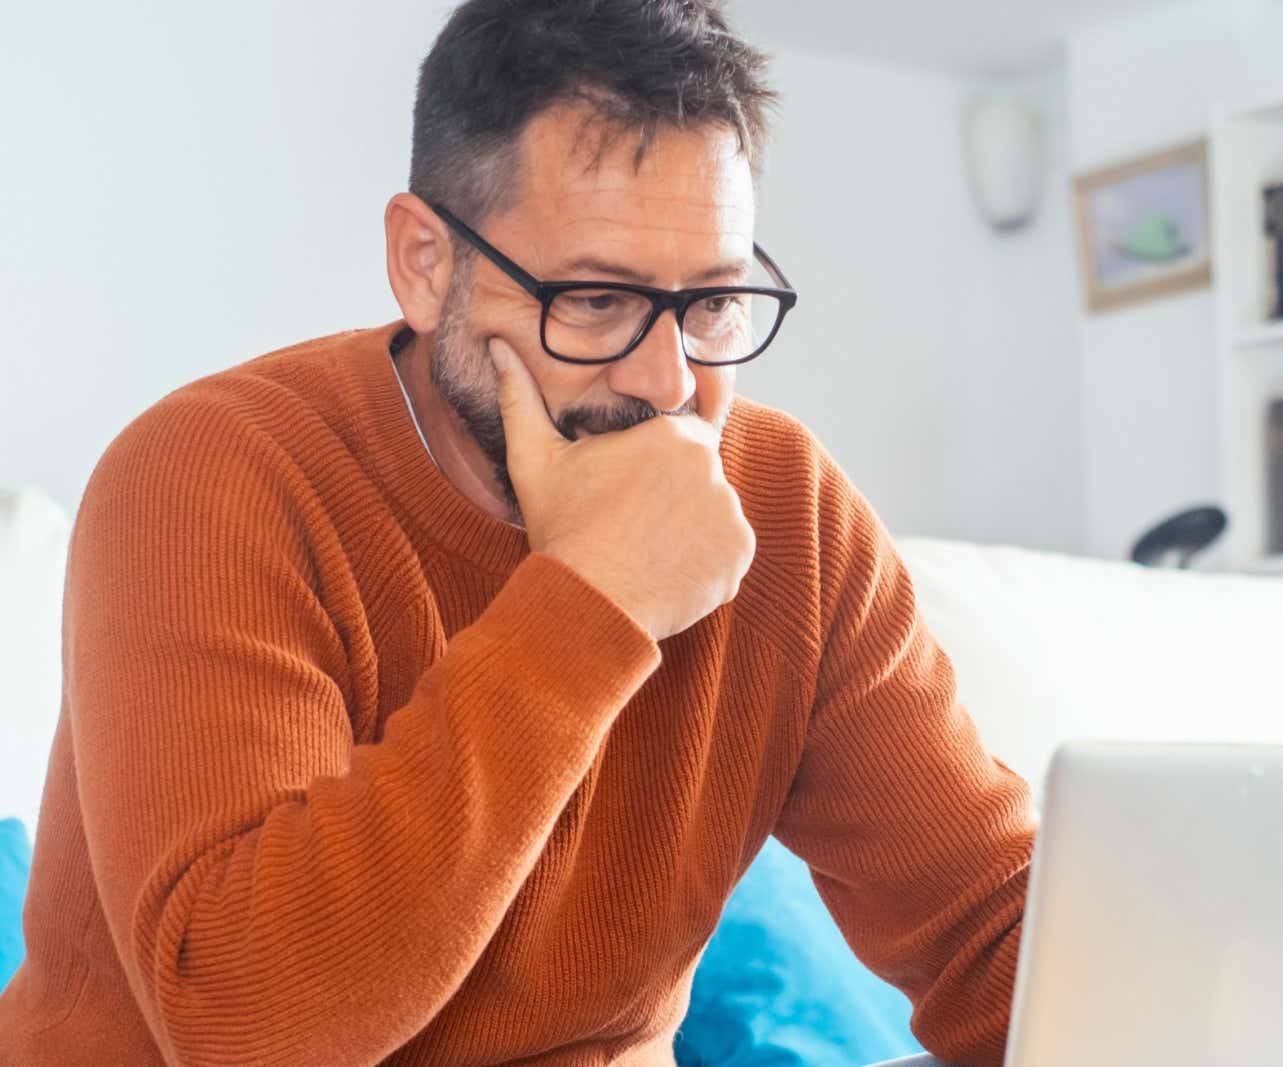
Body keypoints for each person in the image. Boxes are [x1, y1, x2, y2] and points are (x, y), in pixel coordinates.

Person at [0, 2, 1034, 1065]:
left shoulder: (785, 508)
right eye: (593, 300)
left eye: (714, 303)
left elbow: (993, 929)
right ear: (424, 262)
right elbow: (247, 1026)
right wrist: (596, 596)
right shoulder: (208, 476)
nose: (669, 384)